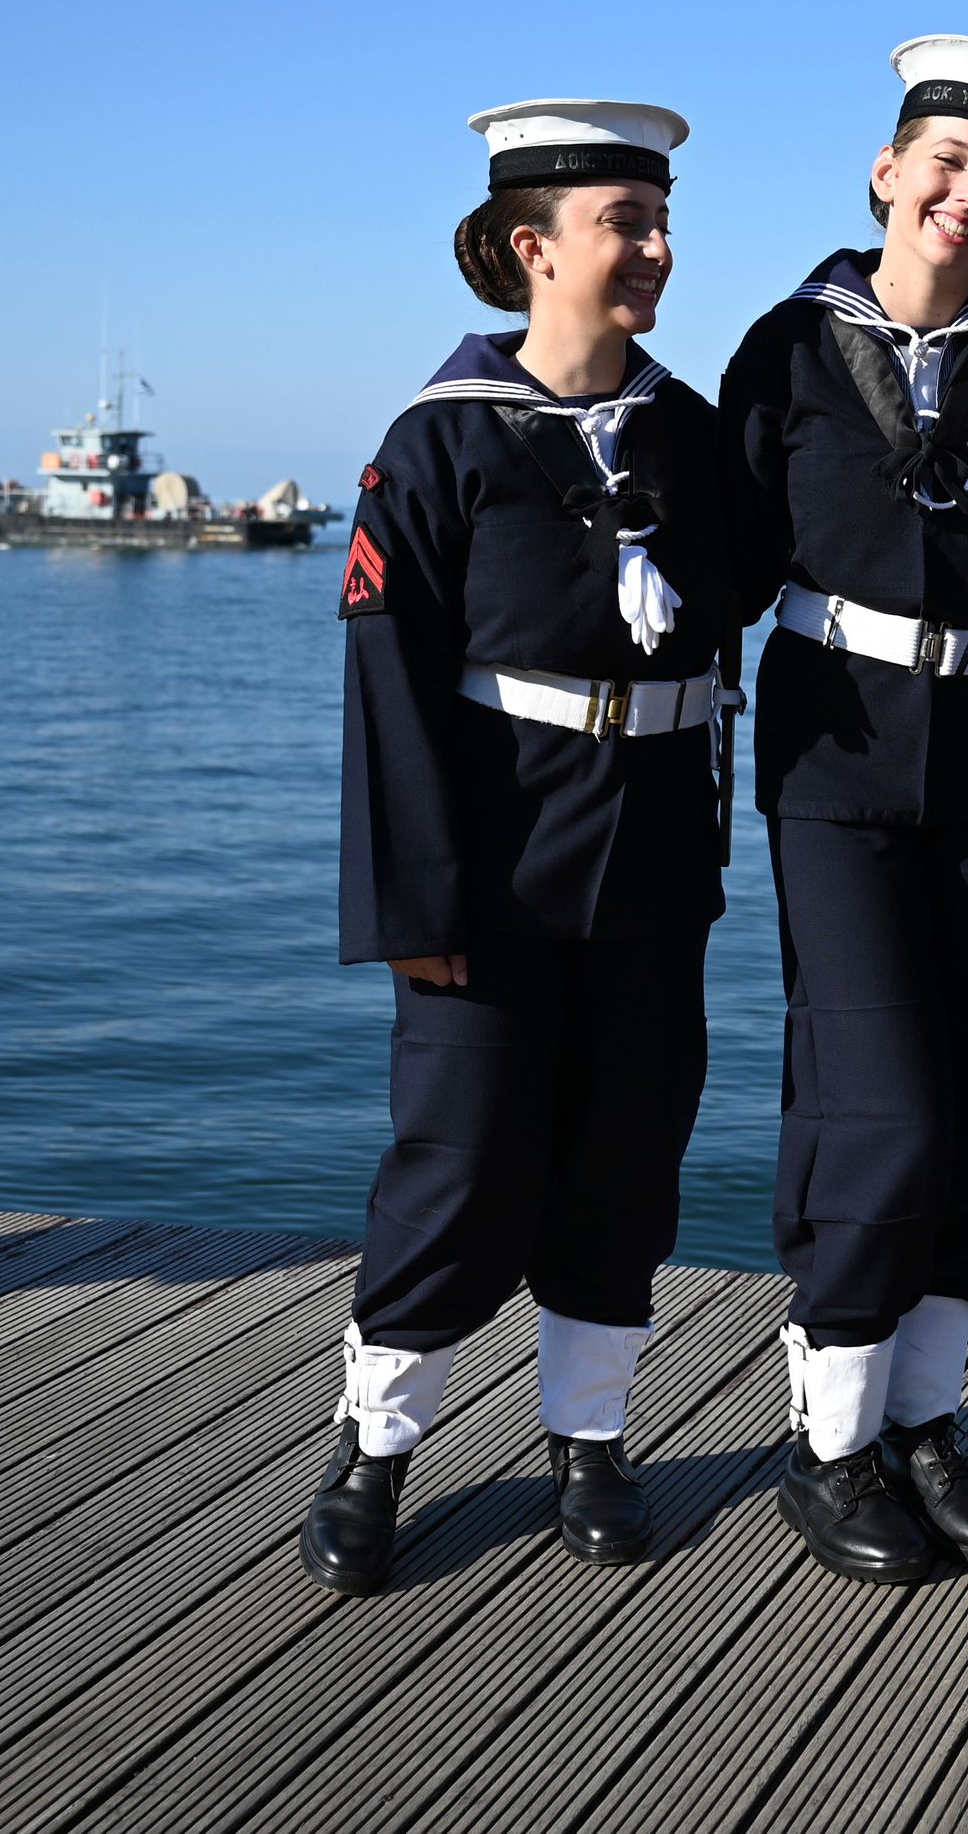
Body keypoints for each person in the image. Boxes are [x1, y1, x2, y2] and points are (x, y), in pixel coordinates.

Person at [300, 98, 739, 1595]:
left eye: (662, 222)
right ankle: (377, 1446)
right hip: (491, 867)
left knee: (626, 1158)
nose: (659, 253)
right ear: (530, 247)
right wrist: (413, 898)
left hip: (655, 855)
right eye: (628, 225)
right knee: (461, 1162)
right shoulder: (436, 442)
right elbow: (388, 678)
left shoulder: (689, 435)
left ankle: (590, 1443)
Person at [720, 36, 968, 1585]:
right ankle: (834, 1444)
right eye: (946, 163)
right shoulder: (789, 351)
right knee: (877, 1100)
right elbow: (710, 556)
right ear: (886, 171)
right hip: (840, 762)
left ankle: (928, 1422)